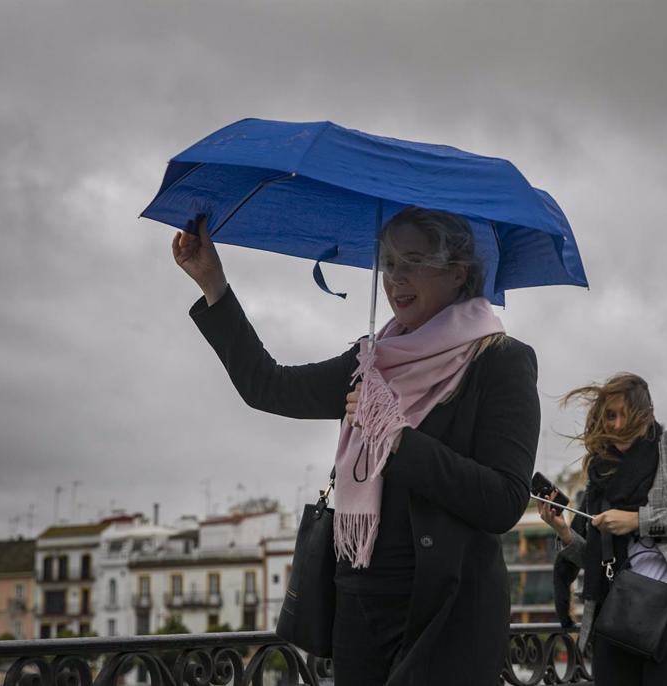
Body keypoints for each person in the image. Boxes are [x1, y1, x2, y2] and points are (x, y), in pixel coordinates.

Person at [173, 207, 541, 686]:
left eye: (414, 261)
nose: (396, 278)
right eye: (388, 263)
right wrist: (213, 284)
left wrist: (396, 438)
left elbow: (503, 501)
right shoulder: (371, 361)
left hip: (444, 616)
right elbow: (268, 386)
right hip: (359, 606)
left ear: (458, 273)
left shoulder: (500, 361)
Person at [537, 373, 667, 686]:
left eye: (627, 414)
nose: (618, 424)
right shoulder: (601, 472)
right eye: (610, 415)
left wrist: (637, 520)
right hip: (618, 616)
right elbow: (599, 562)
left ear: (647, 414)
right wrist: (564, 532)